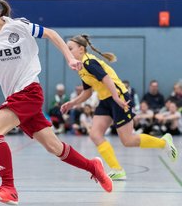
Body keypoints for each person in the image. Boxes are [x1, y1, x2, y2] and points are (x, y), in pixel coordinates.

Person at [0, 0, 112, 205]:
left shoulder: (18, 26)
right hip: (15, 96)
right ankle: (93, 167)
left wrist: (69, 58)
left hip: (29, 91)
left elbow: (51, 34)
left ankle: (8, 188)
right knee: (54, 147)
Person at [61, 34, 178, 181]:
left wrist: (116, 97)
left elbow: (106, 78)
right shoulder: (80, 68)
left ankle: (164, 143)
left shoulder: (89, 62)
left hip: (119, 98)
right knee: (95, 134)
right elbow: (88, 91)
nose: (67, 51)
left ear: (81, 49)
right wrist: (72, 103)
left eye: (70, 48)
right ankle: (117, 170)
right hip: (105, 100)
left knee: (128, 140)